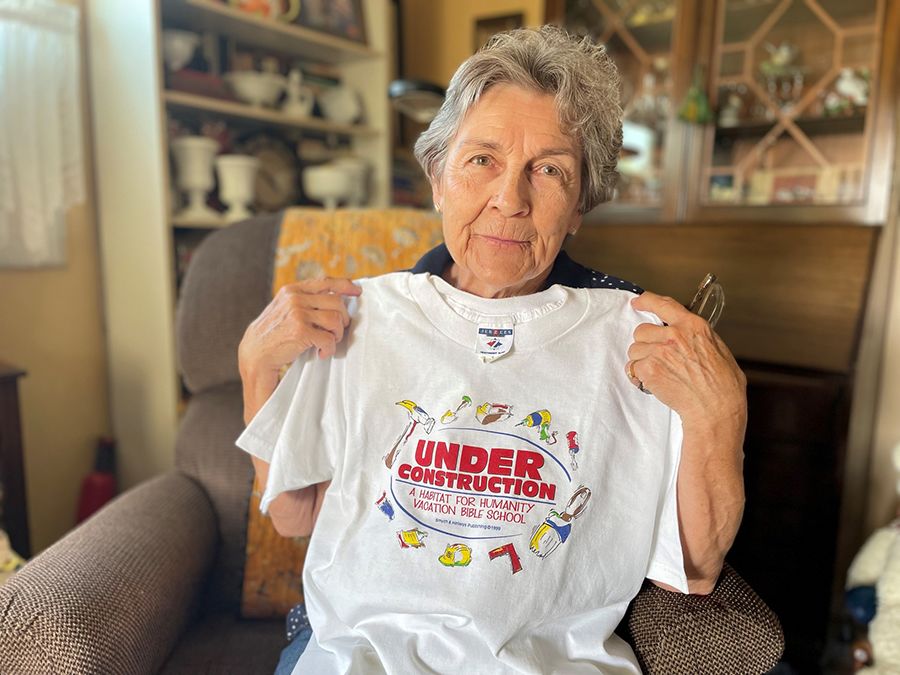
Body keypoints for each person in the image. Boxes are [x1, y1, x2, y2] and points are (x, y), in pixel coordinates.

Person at [236, 25, 747, 674]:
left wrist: (721, 414)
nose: (511, 198)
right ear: (437, 180)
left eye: (550, 170)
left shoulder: (633, 336)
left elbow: (694, 571)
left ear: (578, 207)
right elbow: (293, 513)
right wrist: (258, 369)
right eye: (482, 160)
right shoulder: (357, 321)